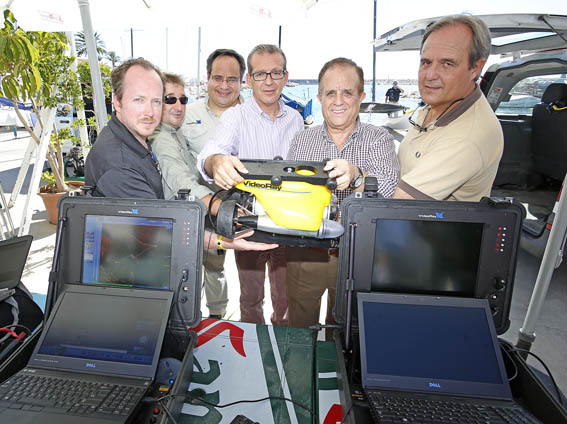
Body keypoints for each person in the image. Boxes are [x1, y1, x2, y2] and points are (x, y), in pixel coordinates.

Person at [85, 58, 275, 252]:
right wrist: (222, 240)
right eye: (138, 100)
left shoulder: (140, 138)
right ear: (117, 101)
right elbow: (157, 230)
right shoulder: (120, 164)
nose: (150, 112)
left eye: (156, 101)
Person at [285, 57, 399, 337]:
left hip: (357, 256)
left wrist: (357, 176)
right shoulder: (301, 140)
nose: (338, 100)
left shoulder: (379, 139)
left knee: (345, 333)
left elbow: (387, 188)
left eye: (347, 92)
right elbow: (289, 194)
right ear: (319, 97)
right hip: (306, 253)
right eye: (330, 93)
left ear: (361, 97)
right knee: (300, 331)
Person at [197, 44, 304, 326]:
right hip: (249, 223)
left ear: (285, 76)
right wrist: (217, 161)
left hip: (288, 223)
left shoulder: (296, 119)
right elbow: (209, 154)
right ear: (249, 80)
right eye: (259, 74)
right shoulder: (235, 116)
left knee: (285, 299)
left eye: (275, 73)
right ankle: (254, 357)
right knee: (250, 299)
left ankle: (283, 353)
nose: (268, 81)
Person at [150, 50, 244, 319]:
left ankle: (214, 316)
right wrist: (219, 206)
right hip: (195, 212)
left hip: (211, 208)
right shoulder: (162, 136)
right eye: (169, 100)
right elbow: (179, 177)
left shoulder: (174, 131)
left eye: (182, 99)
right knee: (188, 272)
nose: (178, 106)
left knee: (213, 267)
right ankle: (192, 321)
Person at [393, 14, 503, 202]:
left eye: (447, 64)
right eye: (426, 62)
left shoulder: (468, 135)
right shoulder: (440, 104)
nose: (430, 75)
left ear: (476, 68)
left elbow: (400, 206)